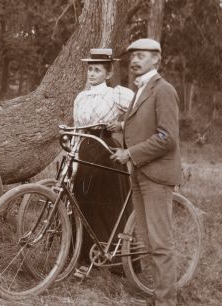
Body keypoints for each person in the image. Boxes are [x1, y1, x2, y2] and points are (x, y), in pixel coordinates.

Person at [110, 38, 182, 306]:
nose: (134, 61)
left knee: (160, 244)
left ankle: (166, 301)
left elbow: (167, 138)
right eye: (132, 57)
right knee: (148, 240)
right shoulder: (140, 89)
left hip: (157, 176)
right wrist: (120, 126)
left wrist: (130, 153)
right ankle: (159, 295)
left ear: (157, 59)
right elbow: (144, 126)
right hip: (140, 173)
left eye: (141, 56)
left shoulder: (163, 90)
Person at [72, 48, 134, 274]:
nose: (92, 74)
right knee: (80, 201)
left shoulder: (116, 94)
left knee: (103, 203)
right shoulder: (80, 97)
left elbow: (143, 110)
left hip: (105, 151)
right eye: (89, 69)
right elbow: (77, 126)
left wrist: (123, 125)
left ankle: (110, 258)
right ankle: (81, 257)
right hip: (83, 149)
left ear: (108, 74)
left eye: (97, 70)